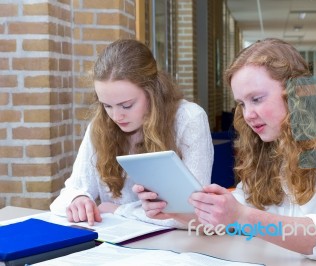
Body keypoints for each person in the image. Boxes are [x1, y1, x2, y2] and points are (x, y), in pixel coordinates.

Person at [134, 38, 316, 261]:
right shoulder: (270, 148)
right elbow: (233, 216)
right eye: (242, 104)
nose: (248, 114)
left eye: (257, 99)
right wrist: (177, 211)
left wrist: (242, 216)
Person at [50, 39, 214, 227]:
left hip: (177, 243)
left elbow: (197, 213)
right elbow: (69, 192)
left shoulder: (189, 119)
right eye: (107, 106)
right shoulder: (101, 124)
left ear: (152, 92)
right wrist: (78, 199)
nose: (116, 116)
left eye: (126, 105)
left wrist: (119, 210)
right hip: (116, 243)